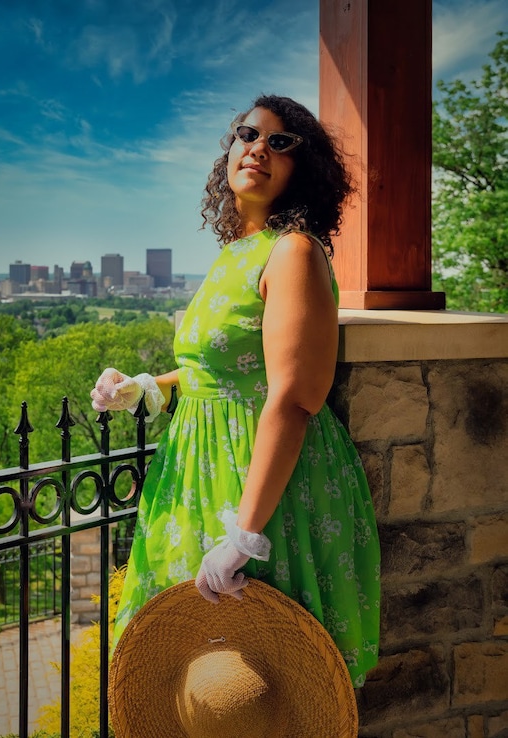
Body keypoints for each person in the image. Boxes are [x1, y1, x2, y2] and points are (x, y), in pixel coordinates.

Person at [91, 94, 380, 688]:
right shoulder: (235, 253)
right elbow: (219, 373)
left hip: (259, 488)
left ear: (306, 169)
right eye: (249, 135)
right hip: (200, 474)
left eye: (281, 142)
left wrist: (244, 536)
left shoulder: (292, 251)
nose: (258, 148)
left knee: (264, 682)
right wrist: (146, 388)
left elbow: (295, 397)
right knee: (203, 682)